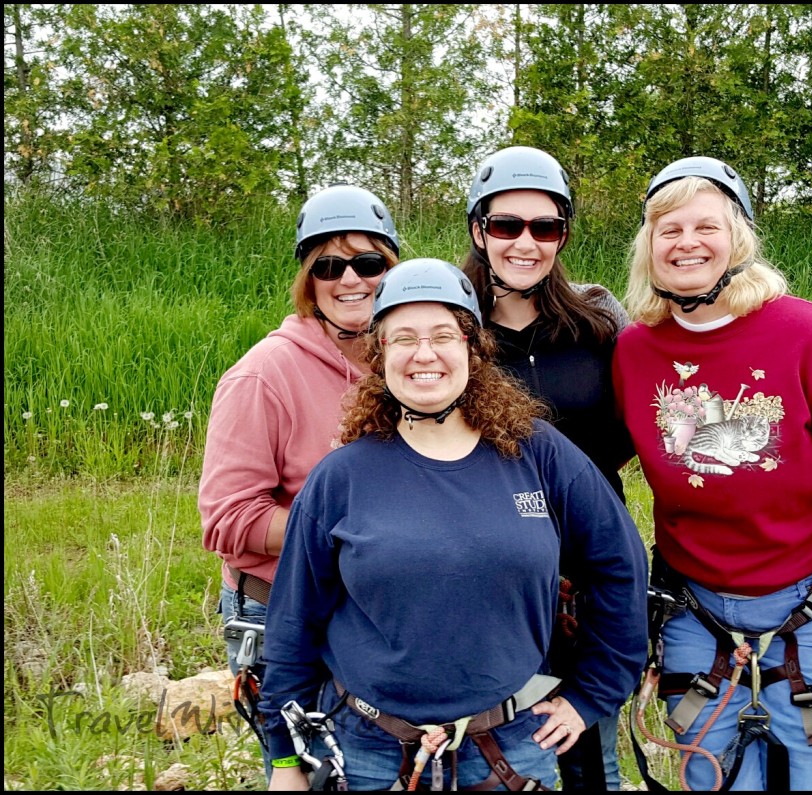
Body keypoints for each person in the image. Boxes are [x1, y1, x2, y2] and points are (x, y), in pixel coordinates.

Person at [258, 258, 649, 791]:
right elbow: (293, 622)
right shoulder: (342, 478)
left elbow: (619, 565)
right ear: (381, 353)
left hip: (510, 750)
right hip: (369, 752)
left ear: (472, 348)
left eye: (443, 335)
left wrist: (592, 696)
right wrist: (285, 760)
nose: (425, 354)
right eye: (404, 339)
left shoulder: (539, 454)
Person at [612, 156, 812, 791]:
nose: (687, 242)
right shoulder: (635, 351)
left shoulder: (808, 336)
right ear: (649, 247)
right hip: (695, 604)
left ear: (739, 239)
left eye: (707, 226)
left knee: (803, 768)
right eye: (668, 230)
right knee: (707, 765)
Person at [199, 183, 401, 776]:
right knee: (304, 774)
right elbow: (228, 518)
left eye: (368, 263)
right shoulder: (264, 375)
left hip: (371, 607)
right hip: (281, 609)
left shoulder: (406, 362)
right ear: (309, 280)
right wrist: (350, 532)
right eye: (329, 265)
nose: (351, 280)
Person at [462, 145, 635, 790]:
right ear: (480, 230)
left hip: (591, 563)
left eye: (546, 227)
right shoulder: (455, 331)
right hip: (496, 567)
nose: (525, 243)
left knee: (590, 747)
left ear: (563, 234)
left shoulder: (597, 320)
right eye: (507, 225)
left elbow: (635, 423)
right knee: (500, 748)